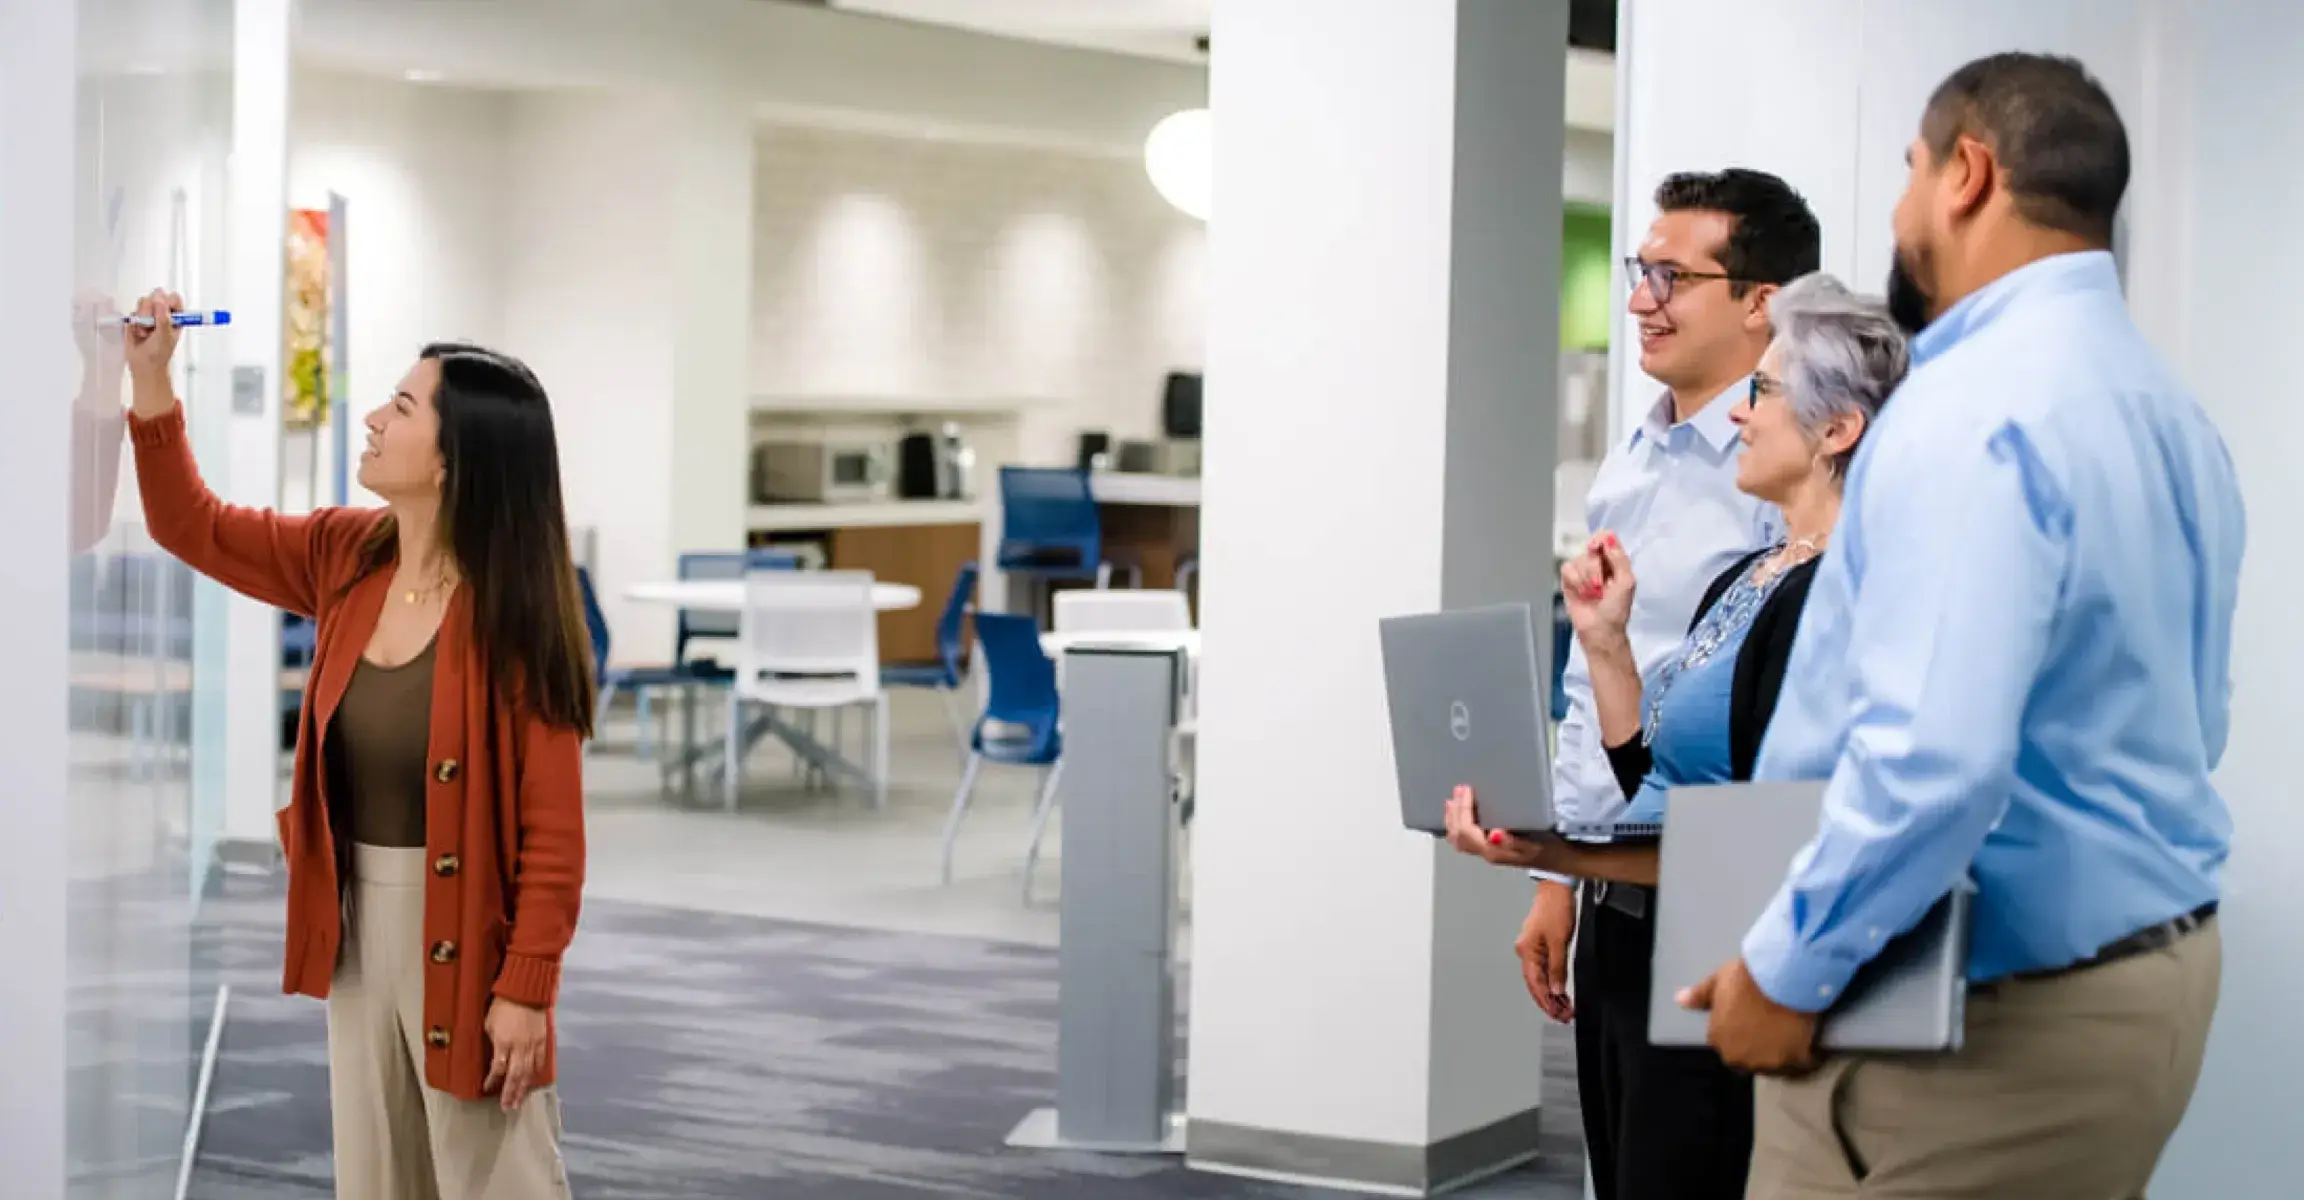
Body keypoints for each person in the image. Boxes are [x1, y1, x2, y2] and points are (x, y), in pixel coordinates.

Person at [1675, 52, 2245, 1199]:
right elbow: (2194, 716)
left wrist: (1785, 971)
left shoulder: (1973, 410)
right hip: (2137, 981)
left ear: (1968, 175)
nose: (1897, 209)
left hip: (1973, 1024)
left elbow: (1933, 761)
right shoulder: (2165, 410)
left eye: (1909, 171)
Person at [1446, 273, 1908, 1200]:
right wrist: (1607, 644)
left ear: (1838, 429)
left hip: (1727, 963)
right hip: (1648, 946)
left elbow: (1762, 843)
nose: (1741, 415)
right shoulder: (1749, 571)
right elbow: (1655, 779)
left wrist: (1558, 851)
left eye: (1766, 393)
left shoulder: (1835, 596)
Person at [122, 289, 589, 1199]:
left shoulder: (517, 609)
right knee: (378, 1177)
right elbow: (193, 525)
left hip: (467, 922)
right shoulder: (347, 555)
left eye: (402, 407)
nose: (373, 418)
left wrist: (526, 987)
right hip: (356, 923)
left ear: (459, 459)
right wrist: (151, 382)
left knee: (495, 1177)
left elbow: (555, 835)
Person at [1495, 168, 1821, 1200]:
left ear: (1760, 300)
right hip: (1616, 892)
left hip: (1724, 902)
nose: (1641, 297)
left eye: (1671, 275)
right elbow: (1596, 684)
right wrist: (1562, 878)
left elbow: (1771, 748)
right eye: (1641, 272)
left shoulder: (1792, 470)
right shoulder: (1633, 460)